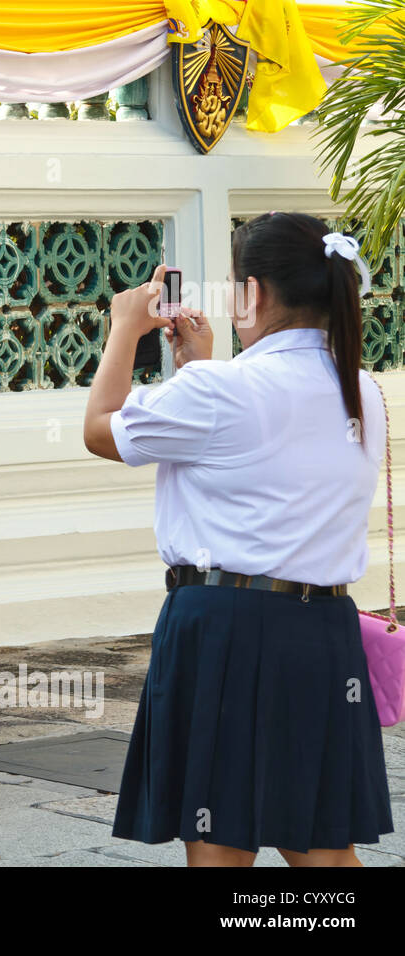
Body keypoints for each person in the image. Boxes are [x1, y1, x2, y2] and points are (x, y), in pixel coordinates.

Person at [84, 212, 394, 866]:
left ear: (251, 293)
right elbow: (266, 445)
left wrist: (123, 329)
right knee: (323, 852)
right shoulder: (363, 392)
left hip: (225, 629)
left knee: (221, 850)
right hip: (324, 634)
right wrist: (207, 368)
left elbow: (99, 429)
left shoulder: (220, 390)